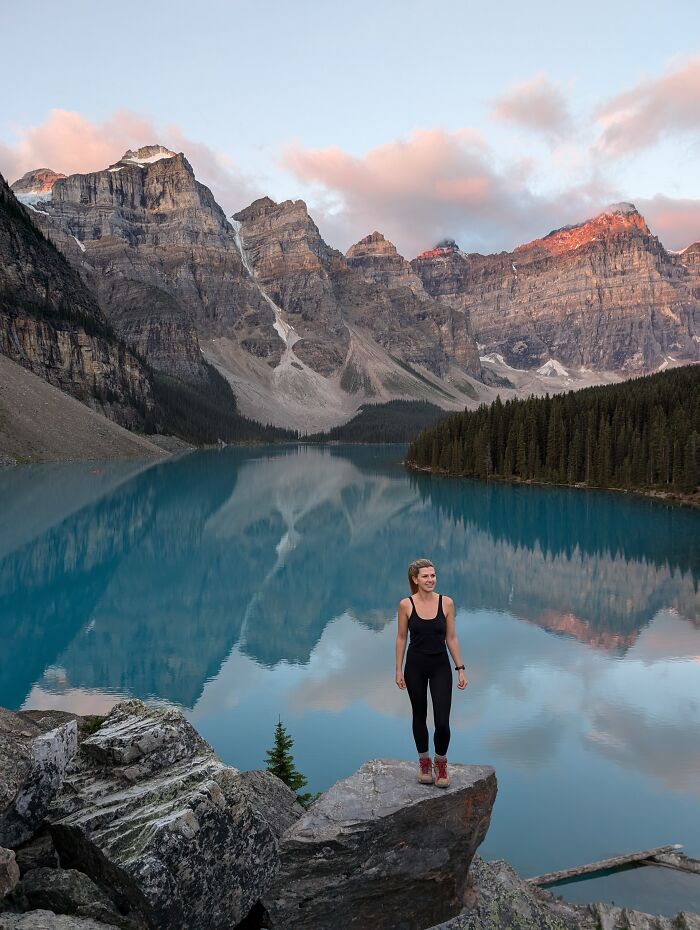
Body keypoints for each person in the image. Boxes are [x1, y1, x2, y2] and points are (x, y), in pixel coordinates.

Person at [396, 558, 467, 787]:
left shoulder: (446, 603)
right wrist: (398, 669)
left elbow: (451, 638)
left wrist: (460, 668)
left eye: (433, 575)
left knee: (442, 721)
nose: (430, 580)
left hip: (440, 667)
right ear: (415, 580)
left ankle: (441, 762)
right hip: (415, 666)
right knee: (419, 715)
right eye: (425, 576)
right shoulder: (406, 605)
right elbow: (401, 638)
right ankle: (424, 763)